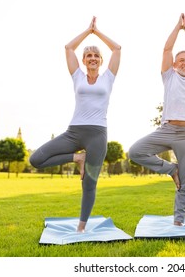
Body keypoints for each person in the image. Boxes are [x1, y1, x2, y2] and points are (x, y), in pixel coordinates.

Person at [30, 16, 121, 232]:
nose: (92, 58)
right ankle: (77, 158)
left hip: (97, 135)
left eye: (96, 56)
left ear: (100, 60)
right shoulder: (77, 76)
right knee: (36, 159)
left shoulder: (108, 77)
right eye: (88, 55)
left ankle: (81, 227)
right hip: (74, 132)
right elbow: (68, 47)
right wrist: (87, 31)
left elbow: (117, 49)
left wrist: (97, 32)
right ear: (83, 60)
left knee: (89, 183)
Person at [128, 13, 185, 226]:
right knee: (135, 152)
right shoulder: (169, 76)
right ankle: (171, 169)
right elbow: (166, 49)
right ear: (173, 65)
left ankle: (178, 222)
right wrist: (176, 27)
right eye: (181, 60)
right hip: (167, 130)